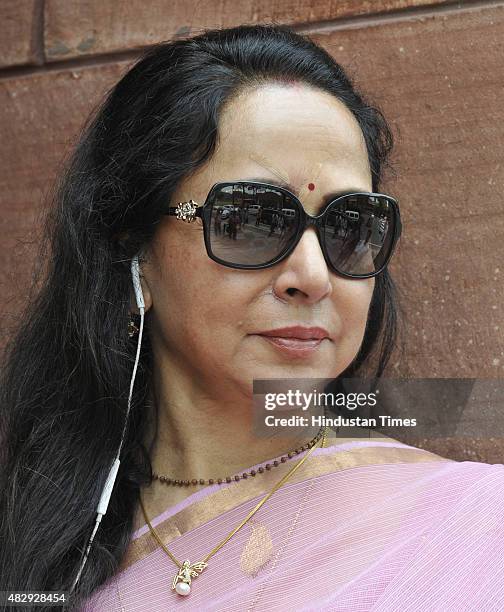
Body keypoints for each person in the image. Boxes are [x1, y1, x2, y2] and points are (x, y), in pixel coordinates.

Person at [0, 22, 503, 612]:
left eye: (350, 226)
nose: (313, 275)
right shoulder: (39, 545)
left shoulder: (471, 531)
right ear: (133, 251)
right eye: (254, 219)